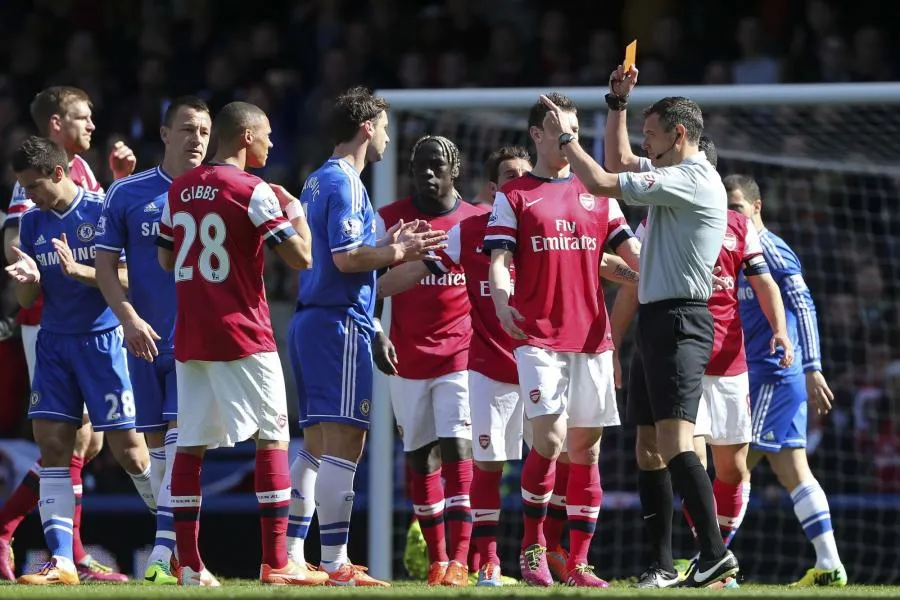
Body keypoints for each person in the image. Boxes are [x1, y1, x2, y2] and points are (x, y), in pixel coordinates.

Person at [378, 145, 639, 586]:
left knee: (568, 454)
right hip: (493, 366)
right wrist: (364, 293)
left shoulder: (553, 222)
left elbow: (605, 262)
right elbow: (419, 270)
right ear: (495, 191)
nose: (525, 182)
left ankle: (553, 550)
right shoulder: (470, 232)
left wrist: (648, 275)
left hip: (548, 358)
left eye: (526, 174)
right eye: (513, 177)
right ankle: (486, 560)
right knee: (489, 463)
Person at [538, 65, 740, 587]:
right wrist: (616, 103)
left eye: (651, 135)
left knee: (675, 442)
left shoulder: (694, 178)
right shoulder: (671, 179)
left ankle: (715, 554)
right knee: (648, 445)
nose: (643, 144)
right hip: (657, 318)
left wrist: (565, 136)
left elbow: (603, 179)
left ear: (679, 135)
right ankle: (660, 563)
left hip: (680, 319)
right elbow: (617, 163)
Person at [610, 137, 794, 587]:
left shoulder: (734, 224)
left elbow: (765, 281)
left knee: (730, 465)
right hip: (673, 346)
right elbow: (634, 284)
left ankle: (713, 556)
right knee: (668, 449)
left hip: (724, 355)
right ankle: (682, 561)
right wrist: (612, 345)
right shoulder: (656, 217)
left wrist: (781, 330)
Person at [155, 101, 319, 587]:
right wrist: (296, 210)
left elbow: (165, 261)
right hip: (244, 332)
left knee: (192, 446)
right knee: (271, 438)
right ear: (246, 137)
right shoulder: (254, 190)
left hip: (192, 335)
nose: (271, 143)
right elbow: (303, 257)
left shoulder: (180, 188)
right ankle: (276, 561)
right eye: (266, 135)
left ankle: (189, 565)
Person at [287, 86, 445, 587]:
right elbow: (346, 259)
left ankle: (291, 554)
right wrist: (397, 251)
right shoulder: (347, 184)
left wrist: (401, 254)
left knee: (313, 443)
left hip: (312, 319)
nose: (386, 136)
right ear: (366, 128)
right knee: (346, 442)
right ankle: (335, 562)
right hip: (336, 324)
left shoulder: (316, 181)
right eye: (383, 125)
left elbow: (359, 269)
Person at [484, 93, 641, 588]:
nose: (570, 141)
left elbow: (623, 254)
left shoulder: (598, 193)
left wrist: (657, 268)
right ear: (538, 134)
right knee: (549, 441)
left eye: (575, 130)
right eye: (561, 131)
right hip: (539, 336)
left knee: (586, 451)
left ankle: (577, 561)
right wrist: (503, 299)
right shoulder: (514, 196)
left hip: (592, 338)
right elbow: (499, 261)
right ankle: (531, 549)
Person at [0, 86, 136, 583]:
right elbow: (16, 241)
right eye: (83, 117)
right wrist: (28, 272)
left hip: (86, 324)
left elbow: (107, 242)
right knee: (66, 442)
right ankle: (27, 538)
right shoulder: (33, 181)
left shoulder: (82, 173)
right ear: (56, 124)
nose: (92, 125)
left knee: (87, 444)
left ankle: (68, 553)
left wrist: (121, 185)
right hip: (49, 325)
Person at [95, 96, 212, 585]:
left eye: (204, 132)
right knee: (161, 456)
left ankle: (168, 556)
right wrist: (128, 319)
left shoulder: (219, 189)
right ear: (165, 134)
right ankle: (183, 558)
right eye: (187, 129)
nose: (197, 140)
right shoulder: (128, 193)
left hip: (197, 343)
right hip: (143, 341)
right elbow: (104, 266)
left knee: (185, 449)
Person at [374, 135, 484, 586]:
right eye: (419, 165)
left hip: (462, 353)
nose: (427, 173)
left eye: (437, 164)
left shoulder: (476, 219)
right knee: (420, 457)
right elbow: (367, 284)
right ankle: (438, 560)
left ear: (454, 168)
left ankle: (459, 559)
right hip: (406, 355)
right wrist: (377, 331)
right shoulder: (390, 219)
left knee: (458, 446)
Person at [727, 174, 846, 587]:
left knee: (735, 466)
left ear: (757, 207)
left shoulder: (772, 251)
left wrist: (813, 366)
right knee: (794, 471)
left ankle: (711, 560)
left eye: (737, 207)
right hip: (762, 375)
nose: (731, 215)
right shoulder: (733, 250)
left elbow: (805, 306)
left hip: (774, 374)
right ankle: (829, 563)